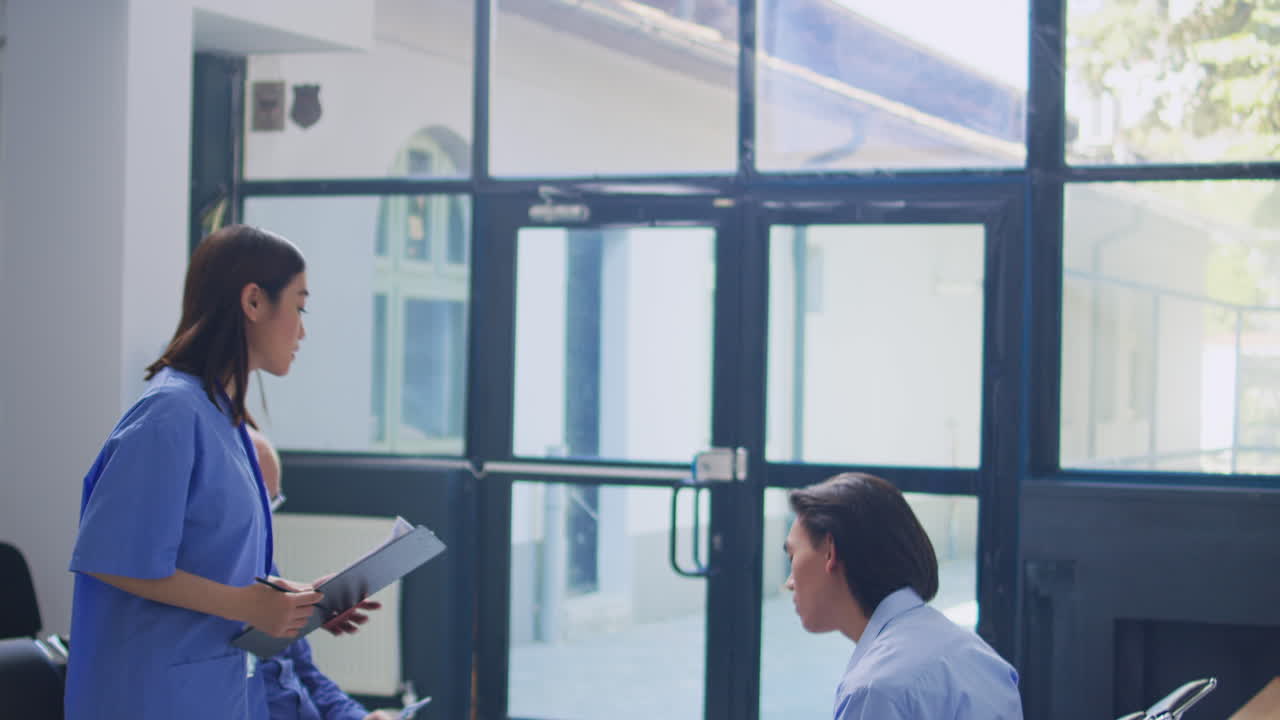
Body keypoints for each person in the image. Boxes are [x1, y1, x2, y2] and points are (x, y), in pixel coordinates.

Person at [66, 224, 325, 720]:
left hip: (209, 691)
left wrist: (292, 600)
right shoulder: (170, 413)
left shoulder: (221, 418)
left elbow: (215, 564)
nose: (302, 330)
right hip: (148, 697)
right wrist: (249, 605)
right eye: (299, 306)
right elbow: (112, 557)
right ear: (253, 302)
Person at [784, 472, 1023, 719]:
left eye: (792, 557)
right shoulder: (980, 657)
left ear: (830, 552)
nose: (789, 583)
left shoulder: (874, 690)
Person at [247, 427, 397, 720]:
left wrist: (357, 718)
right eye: (259, 505)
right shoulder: (195, 600)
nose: (266, 521)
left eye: (274, 504)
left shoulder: (263, 565)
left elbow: (307, 675)